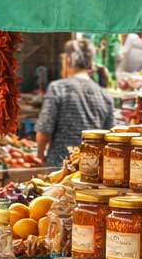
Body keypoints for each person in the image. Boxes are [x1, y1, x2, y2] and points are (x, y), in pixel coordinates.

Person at [35, 38, 115, 168]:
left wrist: (40, 156)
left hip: (60, 167)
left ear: (67, 60)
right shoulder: (104, 95)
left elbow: (44, 130)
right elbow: (110, 136)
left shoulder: (58, 88)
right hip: (91, 169)